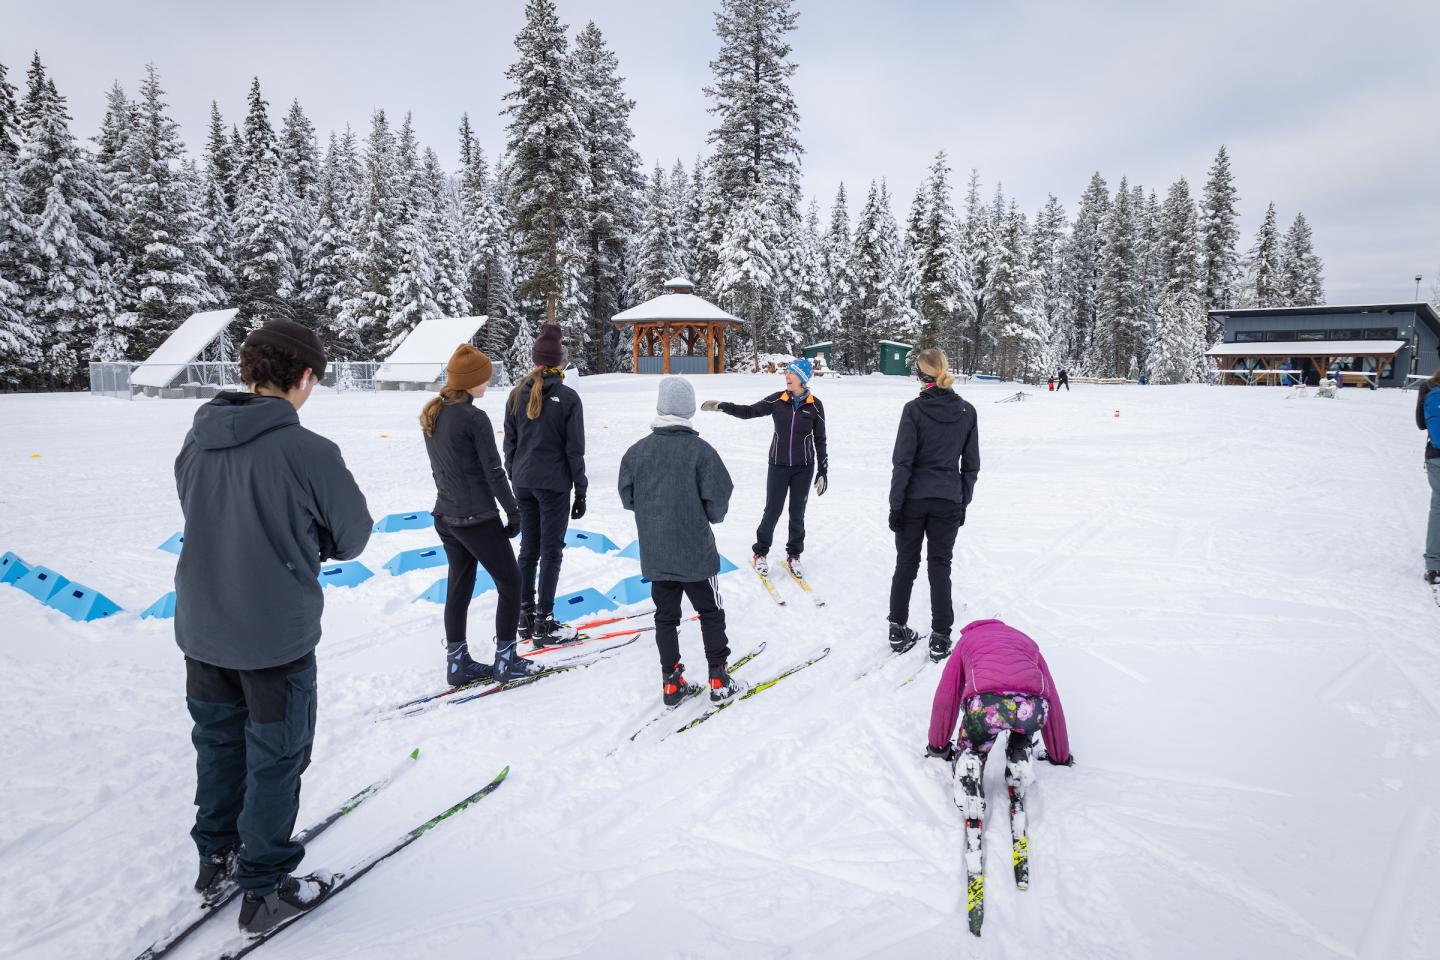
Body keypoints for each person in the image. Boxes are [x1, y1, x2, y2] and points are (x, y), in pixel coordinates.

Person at [174, 319, 372, 936]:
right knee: (276, 756)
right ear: (305, 376)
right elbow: (354, 536)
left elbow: (200, 509)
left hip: (203, 625)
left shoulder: (198, 437)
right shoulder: (308, 450)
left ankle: (216, 857)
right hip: (272, 636)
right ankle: (264, 886)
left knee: (219, 743)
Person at [422, 344, 541, 686]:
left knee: (460, 584)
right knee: (511, 582)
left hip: (446, 515)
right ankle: (507, 660)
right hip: (474, 516)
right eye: (483, 378)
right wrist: (514, 511)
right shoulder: (473, 418)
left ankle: (457, 663)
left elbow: (440, 471)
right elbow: (494, 471)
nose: (487, 383)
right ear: (470, 381)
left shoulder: (435, 412)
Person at [619, 377, 741, 705]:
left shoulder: (636, 452)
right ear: (689, 409)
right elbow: (719, 499)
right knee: (711, 611)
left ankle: (671, 684)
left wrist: (654, 514)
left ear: (661, 406)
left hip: (658, 554)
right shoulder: (701, 452)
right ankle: (719, 678)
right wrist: (704, 515)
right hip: (696, 554)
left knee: (665, 617)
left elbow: (628, 497)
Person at [887, 348, 979, 661]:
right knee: (939, 567)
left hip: (914, 499)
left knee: (906, 564)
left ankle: (897, 629)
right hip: (947, 499)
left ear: (921, 375)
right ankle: (940, 636)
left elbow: (903, 462)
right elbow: (972, 466)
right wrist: (962, 499)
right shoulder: (966, 411)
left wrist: (896, 505)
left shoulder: (914, 410)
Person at [700, 357, 827, 582]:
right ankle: (761, 552)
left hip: (804, 468)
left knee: (797, 513)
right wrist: (722, 406)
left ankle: (794, 555)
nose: (787, 376)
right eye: (787, 372)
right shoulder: (777, 400)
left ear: (803, 378)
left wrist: (822, 471)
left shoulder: (815, 406)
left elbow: (820, 440)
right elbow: (749, 411)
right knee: (772, 511)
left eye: (792, 373)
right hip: (778, 466)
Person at [504, 323, 587, 646]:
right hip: (552, 485)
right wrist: (580, 489)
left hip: (524, 483)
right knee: (551, 552)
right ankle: (544, 621)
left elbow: (509, 444)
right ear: (560, 361)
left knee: (529, 550)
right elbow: (574, 450)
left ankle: (524, 617)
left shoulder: (515, 394)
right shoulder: (567, 398)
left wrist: (514, 474)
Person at [924, 618, 1073, 768]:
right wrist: (1060, 756)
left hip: (986, 706)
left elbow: (948, 693)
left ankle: (970, 762)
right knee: (1023, 709)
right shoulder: (1026, 640)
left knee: (977, 736)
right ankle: (1019, 750)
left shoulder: (967, 640)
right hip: (1034, 707)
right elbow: (1052, 696)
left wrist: (938, 746)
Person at [1418, 369, 1440, 585]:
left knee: (1438, 507)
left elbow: (1421, 423)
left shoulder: (1429, 386)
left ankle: (1434, 565)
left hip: (1436, 456)